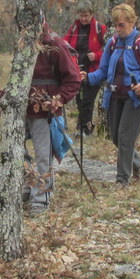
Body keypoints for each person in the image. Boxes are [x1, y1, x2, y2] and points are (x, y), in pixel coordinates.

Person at [81, 4, 140, 186]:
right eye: (116, 25)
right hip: (114, 96)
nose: (118, 29)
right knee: (116, 137)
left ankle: (122, 179)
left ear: (132, 22)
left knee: (125, 137)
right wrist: (87, 78)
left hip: (135, 99)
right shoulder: (112, 43)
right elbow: (102, 71)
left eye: (122, 25)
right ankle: (139, 162)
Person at [25, 25, 82, 212]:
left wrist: (58, 100)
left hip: (45, 110)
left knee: (43, 155)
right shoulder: (23, 43)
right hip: (22, 108)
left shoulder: (55, 44)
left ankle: (41, 198)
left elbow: (73, 80)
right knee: (17, 153)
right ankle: (28, 188)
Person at [63, 1, 107, 134]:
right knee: (80, 100)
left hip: (94, 70)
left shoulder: (100, 28)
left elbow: (108, 49)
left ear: (92, 14)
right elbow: (66, 43)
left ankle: (86, 130)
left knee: (88, 100)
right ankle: (81, 128)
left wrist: (97, 55)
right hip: (77, 70)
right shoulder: (74, 28)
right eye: (81, 15)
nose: (83, 18)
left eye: (86, 15)